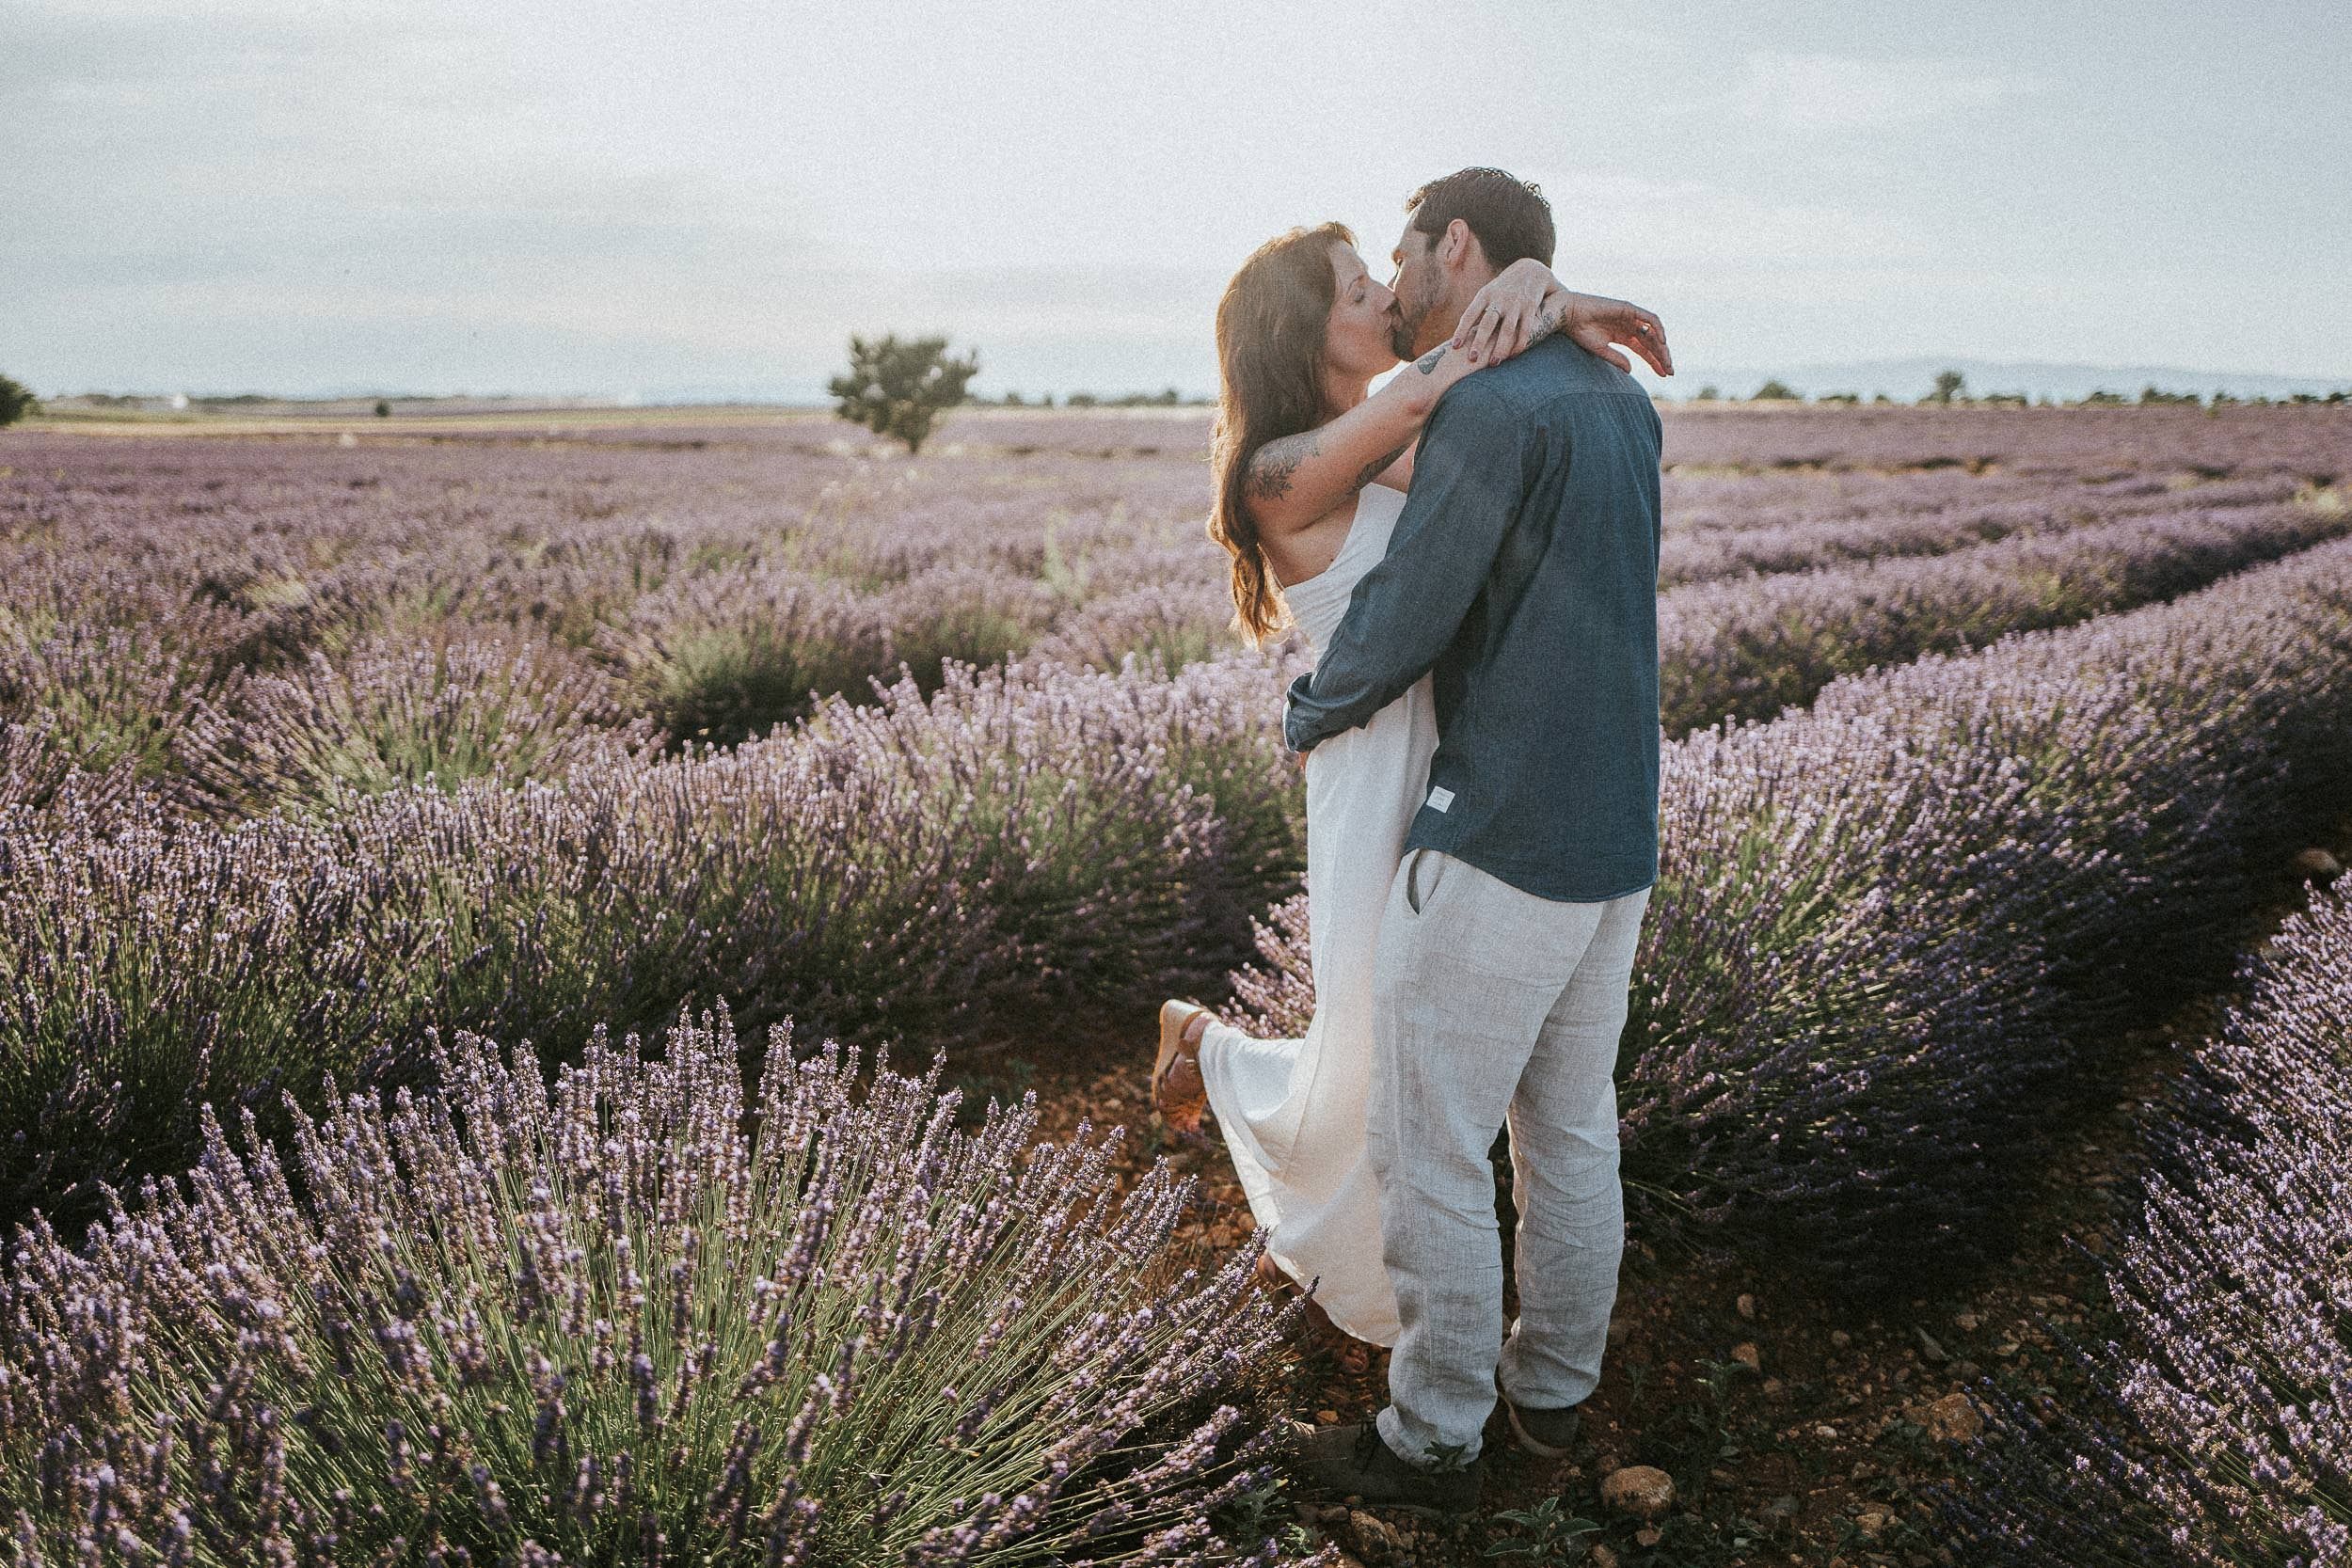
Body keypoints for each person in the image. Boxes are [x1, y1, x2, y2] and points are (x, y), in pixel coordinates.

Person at [1148, 183, 1670, 1394]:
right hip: (1374, 769)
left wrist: (1534, 295)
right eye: (1354, 287)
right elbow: (1445, 384)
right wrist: (1542, 291)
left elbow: (1487, 431)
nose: (1382, 292)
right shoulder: (1280, 470)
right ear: (1301, 332)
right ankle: (1215, 1054)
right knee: (1374, 1070)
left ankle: (1214, 1055)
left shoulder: (1403, 433)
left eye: (1383, 272)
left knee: (1404, 1078)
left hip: (1469, 764)